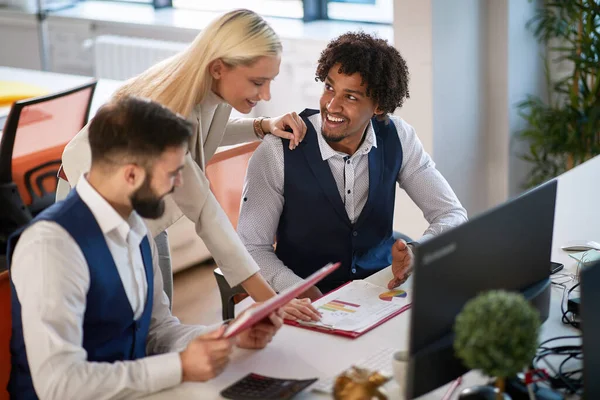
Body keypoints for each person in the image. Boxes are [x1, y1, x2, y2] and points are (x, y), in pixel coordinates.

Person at [8, 97, 283, 400]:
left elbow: (156, 331)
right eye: (172, 174)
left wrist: (227, 336)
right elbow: (59, 385)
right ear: (131, 175)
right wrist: (179, 366)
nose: (179, 184)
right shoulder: (52, 247)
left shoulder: (138, 229)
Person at [57, 9, 319, 320]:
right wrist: (271, 299)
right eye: (257, 82)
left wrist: (262, 125)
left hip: (145, 208)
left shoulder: (205, 84)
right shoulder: (168, 114)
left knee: (157, 314)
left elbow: (206, 130)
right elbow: (207, 214)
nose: (266, 94)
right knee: (126, 319)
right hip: (96, 210)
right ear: (219, 68)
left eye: (270, 81)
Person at [238, 32, 468, 301]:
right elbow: (252, 246)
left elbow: (451, 213)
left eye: (351, 97)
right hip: (304, 298)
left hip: (381, 290)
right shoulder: (277, 150)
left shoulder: (399, 137)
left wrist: (417, 252)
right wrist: (297, 289)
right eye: (329, 87)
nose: (332, 105)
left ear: (379, 105)